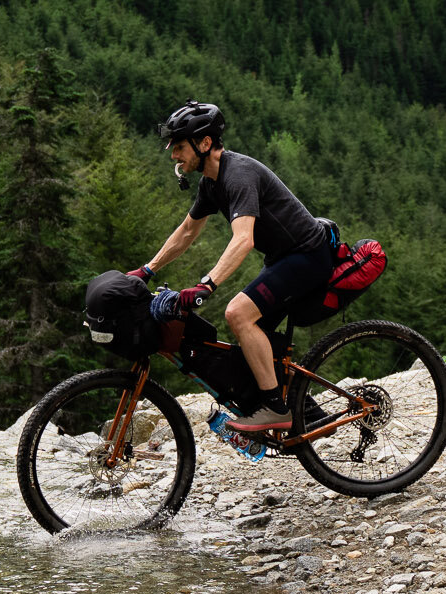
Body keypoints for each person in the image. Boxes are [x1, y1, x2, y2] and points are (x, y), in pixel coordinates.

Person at [128, 101, 332, 434]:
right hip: (285, 259)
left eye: (179, 147)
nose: (173, 156)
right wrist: (147, 270)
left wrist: (207, 284)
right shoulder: (211, 182)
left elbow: (243, 239)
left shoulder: (237, 175)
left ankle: (276, 410)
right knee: (254, 340)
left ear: (204, 143)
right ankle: (309, 413)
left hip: (307, 256)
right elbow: (187, 231)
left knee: (238, 314)